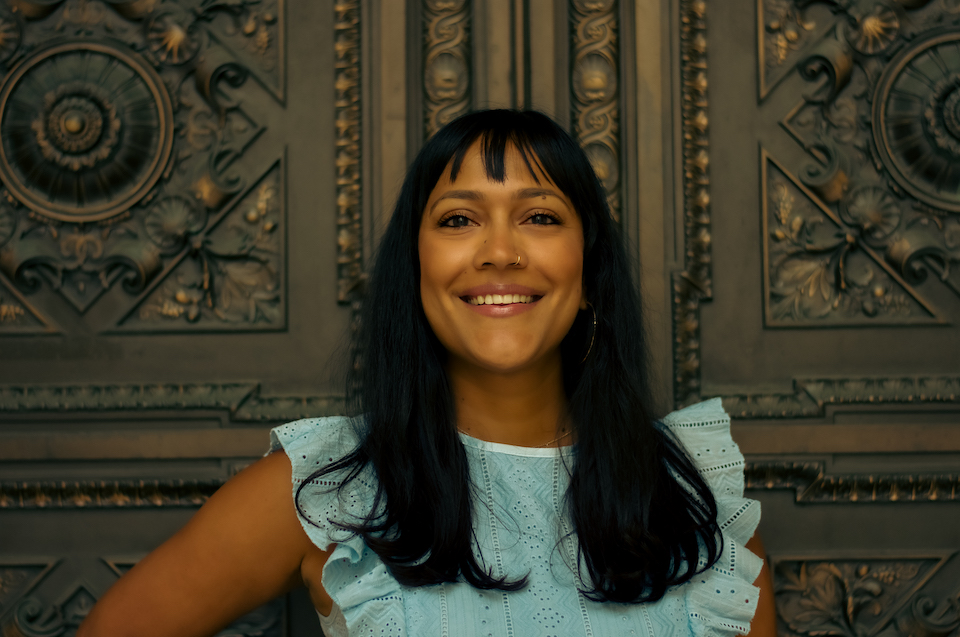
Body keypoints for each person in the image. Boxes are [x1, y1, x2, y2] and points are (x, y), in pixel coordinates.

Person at [78, 110, 776, 636]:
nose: (500, 251)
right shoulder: (328, 487)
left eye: (538, 215)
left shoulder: (694, 500)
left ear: (589, 274)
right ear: (416, 272)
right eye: (458, 219)